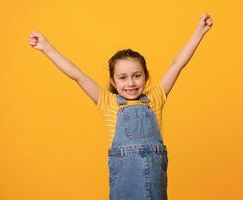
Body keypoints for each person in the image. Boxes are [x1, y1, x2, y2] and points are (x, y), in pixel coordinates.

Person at [29, 12, 213, 200]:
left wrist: (200, 31)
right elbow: (76, 74)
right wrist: (46, 47)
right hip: (125, 187)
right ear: (114, 82)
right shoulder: (107, 103)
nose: (131, 83)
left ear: (146, 77)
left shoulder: (156, 98)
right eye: (123, 77)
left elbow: (177, 64)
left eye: (137, 75)